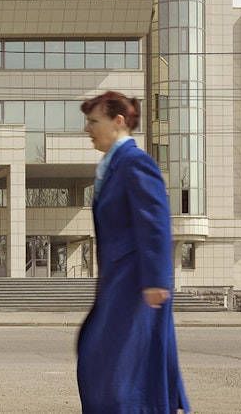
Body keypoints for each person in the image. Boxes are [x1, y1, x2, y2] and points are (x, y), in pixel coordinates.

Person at [76, 91, 190, 413]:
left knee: (120, 370)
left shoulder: (135, 162)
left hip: (139, 286)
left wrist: (156, 280)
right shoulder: (112, 166)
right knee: (105, 363)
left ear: (118, 121)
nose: (88, 129)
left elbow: (155, 222)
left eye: (93, 121)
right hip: (120, 285)